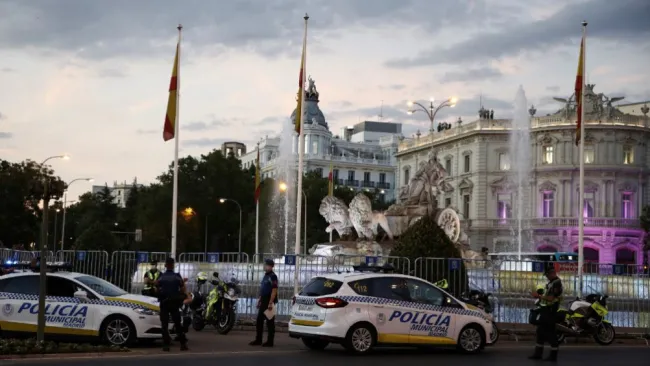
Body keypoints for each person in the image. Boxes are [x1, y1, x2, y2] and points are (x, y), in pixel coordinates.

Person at [529, 264, 563, 362]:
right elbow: (547, 297)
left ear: (552, 273)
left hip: (551, 311)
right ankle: (538, 354)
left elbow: (551, 298)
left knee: (550, 333)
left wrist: (538, 296)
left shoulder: (557, 282)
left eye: (547, 275)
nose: (546, 277)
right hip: (546, 310)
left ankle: (553, 355)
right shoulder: (551, 283)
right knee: (540, 331)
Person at [156, 257, 188, 352]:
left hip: (164, 303)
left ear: (166, 265)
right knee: (177, 324)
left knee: (164, 325)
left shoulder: (161, 276)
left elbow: (157, 288)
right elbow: (182, 289)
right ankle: (183, 344)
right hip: (174, 303)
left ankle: (166, 345)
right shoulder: (177, 276)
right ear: (173, 265)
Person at [249, 259, 278, 347]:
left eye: (266, 265)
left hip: (269, 300)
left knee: (270, 322)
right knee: (259, 321)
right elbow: (263, 289)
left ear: (270, 266)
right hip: (264, 300)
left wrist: (270, 302)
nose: (264, 266)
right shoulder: (266, 276)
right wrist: (260, 299)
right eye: (264, 265)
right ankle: (258, 339)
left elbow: (274, 290)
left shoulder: (273, 276)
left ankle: (270, 341)